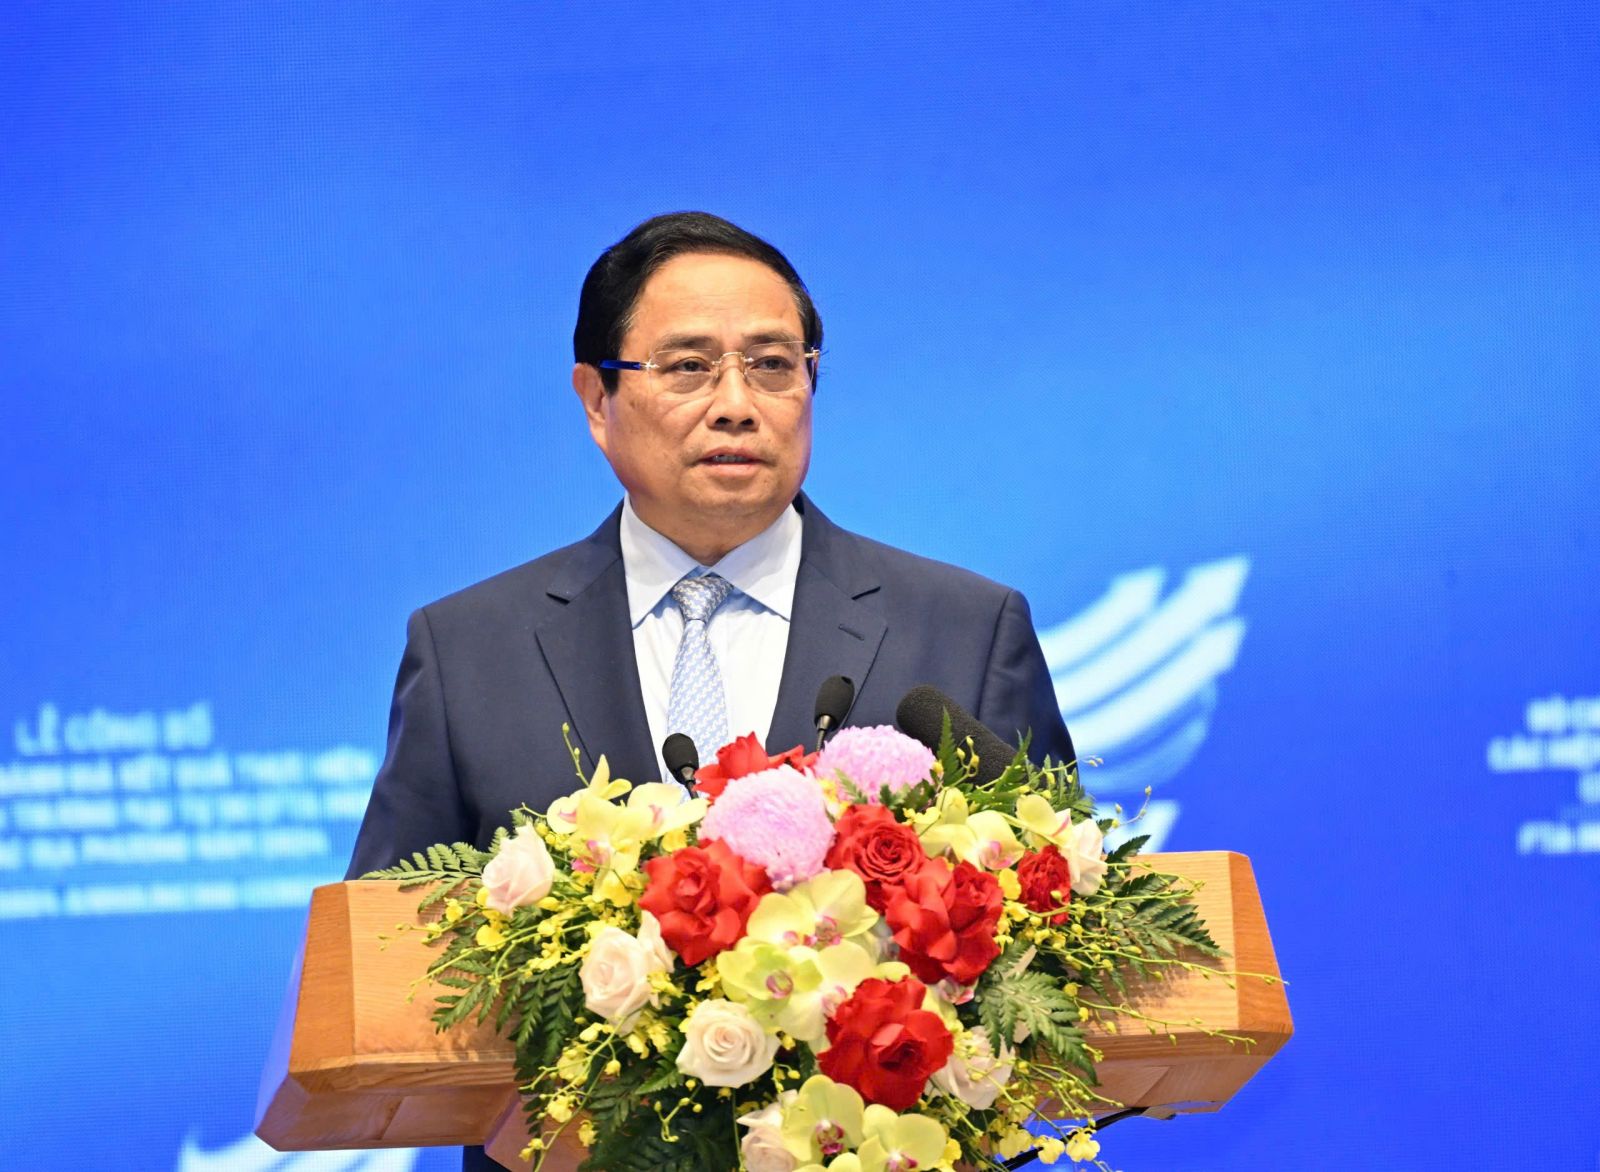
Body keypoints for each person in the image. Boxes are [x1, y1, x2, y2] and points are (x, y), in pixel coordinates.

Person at [343, 211, 1073, 1171]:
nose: (736, 403)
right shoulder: (469, 649)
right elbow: (384, 962)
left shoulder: (965, 629)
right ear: (597, 398)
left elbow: (1064, 943)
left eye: (772, 365)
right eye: (688, 367)